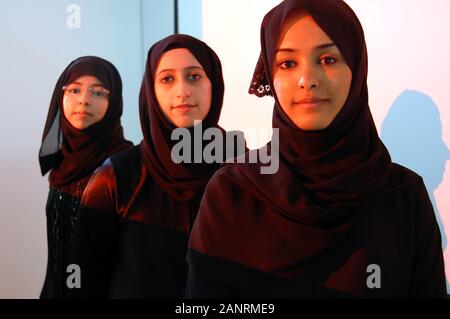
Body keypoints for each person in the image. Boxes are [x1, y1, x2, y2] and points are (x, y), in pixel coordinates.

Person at [186, 0, 447, 298]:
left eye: (327, 59)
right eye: (287, 63)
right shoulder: (232, 193)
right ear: (271, 76)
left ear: (357, 65)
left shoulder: (404, 197)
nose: (307, 80)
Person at [74, 34, 245, 298]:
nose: (183, 92)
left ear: (215, 85)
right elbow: (88, 283)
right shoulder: (116, 176)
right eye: (167, 79)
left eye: (194, 76)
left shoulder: (241, 167)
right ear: (150, 91)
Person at [39, 56, 133, 298]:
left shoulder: (127, 166)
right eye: (75, 90)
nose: (84, 100)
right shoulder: (62, 161)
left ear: (114, 102)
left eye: (99, 93)